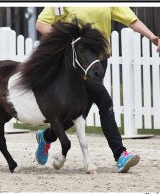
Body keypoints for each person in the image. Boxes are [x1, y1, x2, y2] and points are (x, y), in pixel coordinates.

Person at [35, 7, 160, 173]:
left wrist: (152, 37)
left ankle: (47, 136)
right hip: (79, 63)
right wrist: (65, 42)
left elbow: (132, 20)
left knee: (83, 110)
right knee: (105, 102)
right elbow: (41, 23)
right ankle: (120, 155)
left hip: (100, 60)